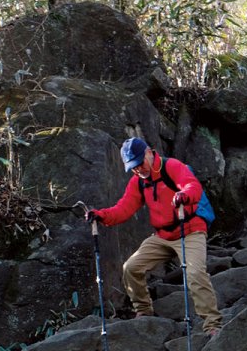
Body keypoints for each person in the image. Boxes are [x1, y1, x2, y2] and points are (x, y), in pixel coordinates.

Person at [88, 137, 223, 334]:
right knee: (131, 268)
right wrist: (101, 215)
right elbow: (124, 208)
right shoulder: (138, 182)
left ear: (149, 153)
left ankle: (212, 325)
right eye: (132, 167)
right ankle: (144, 311)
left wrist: (184, 195)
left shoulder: (172, 167)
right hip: (162, 235)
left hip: (190, 229)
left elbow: (191, 185)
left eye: (140, 164)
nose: (138, 170)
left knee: (194, 274)